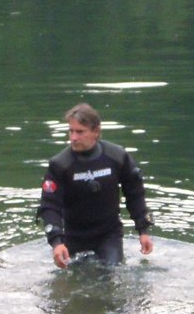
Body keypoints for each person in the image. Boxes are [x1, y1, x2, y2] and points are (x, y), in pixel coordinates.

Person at [37, 102, 154, 268]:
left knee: (111, 277)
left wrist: (143, 231)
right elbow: (49, 205)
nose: (74, 137)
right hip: (72, 238)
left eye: (80, 132)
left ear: (96, 132)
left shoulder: (117, 157)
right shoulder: (60, 164)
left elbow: (135, 193)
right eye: (71, 131)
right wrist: (56, 242)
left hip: (109, 236)